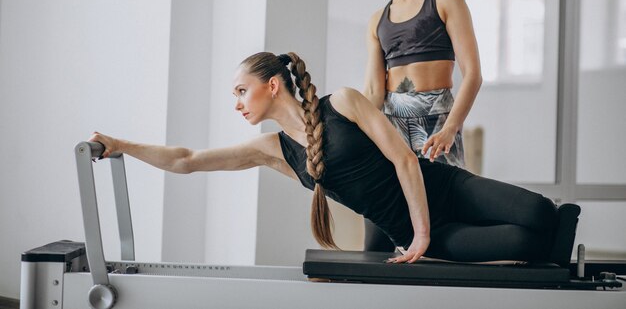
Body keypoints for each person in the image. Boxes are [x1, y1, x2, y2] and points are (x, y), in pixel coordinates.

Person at [91, 52, 561, 264]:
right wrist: (124, 146)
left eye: (241, 91)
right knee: (525, 245)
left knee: (540, 212)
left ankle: (566, 235)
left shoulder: (345, 103)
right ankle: (564, 249)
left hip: (444, 190)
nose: (236, 102)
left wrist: (420, 232)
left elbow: (403, 159)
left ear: (272, 85)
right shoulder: (274, 150)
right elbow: (187, 159)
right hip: (427, 235)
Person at [361, 0, 483, 251]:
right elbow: (374, 93)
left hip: (437, 125)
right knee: (382, 227)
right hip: (391, 126)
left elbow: (472, 75)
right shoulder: (377, 20)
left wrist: (450, 129)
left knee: (441, 222)